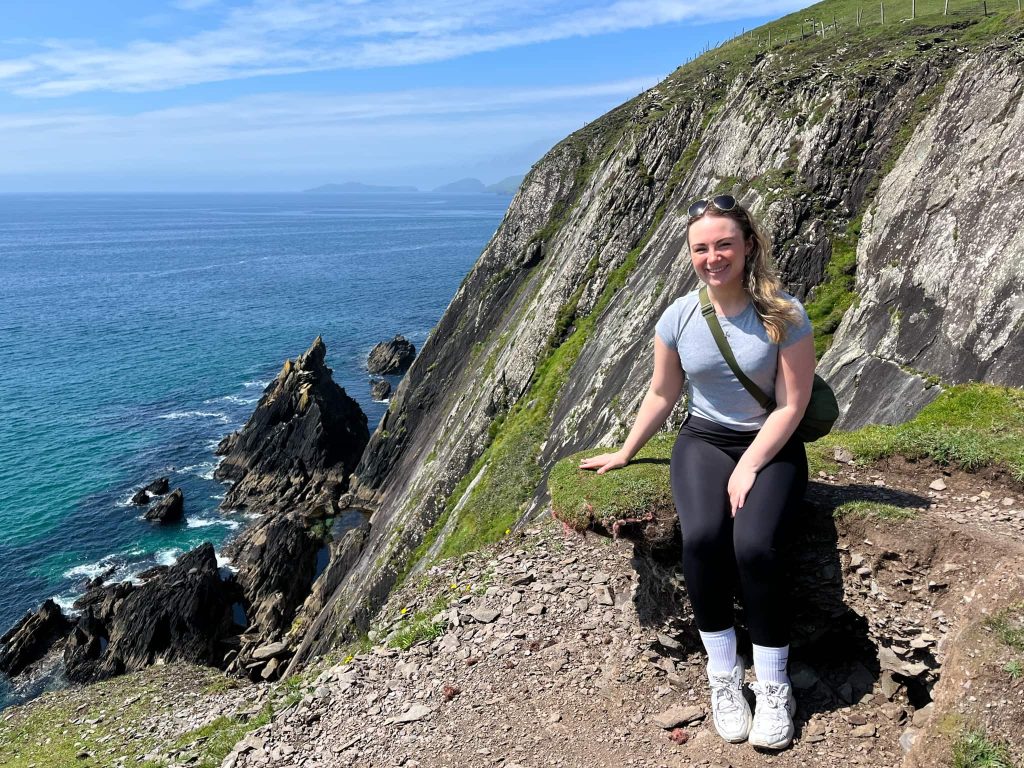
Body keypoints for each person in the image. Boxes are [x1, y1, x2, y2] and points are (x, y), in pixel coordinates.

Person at [579, 194, 815, 750]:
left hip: (770, 442)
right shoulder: (680, 316)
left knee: (756, 547)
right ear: (691, 255)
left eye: (725, 244)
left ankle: (775, 685)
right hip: (703, 439)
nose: (714, 257)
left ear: (749, 245)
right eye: (701, 248)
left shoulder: (784, 313)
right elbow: (663, 394)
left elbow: (791, 405)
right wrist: (626, 450)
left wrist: (751, 464)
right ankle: (724, 678)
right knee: (704, 538)